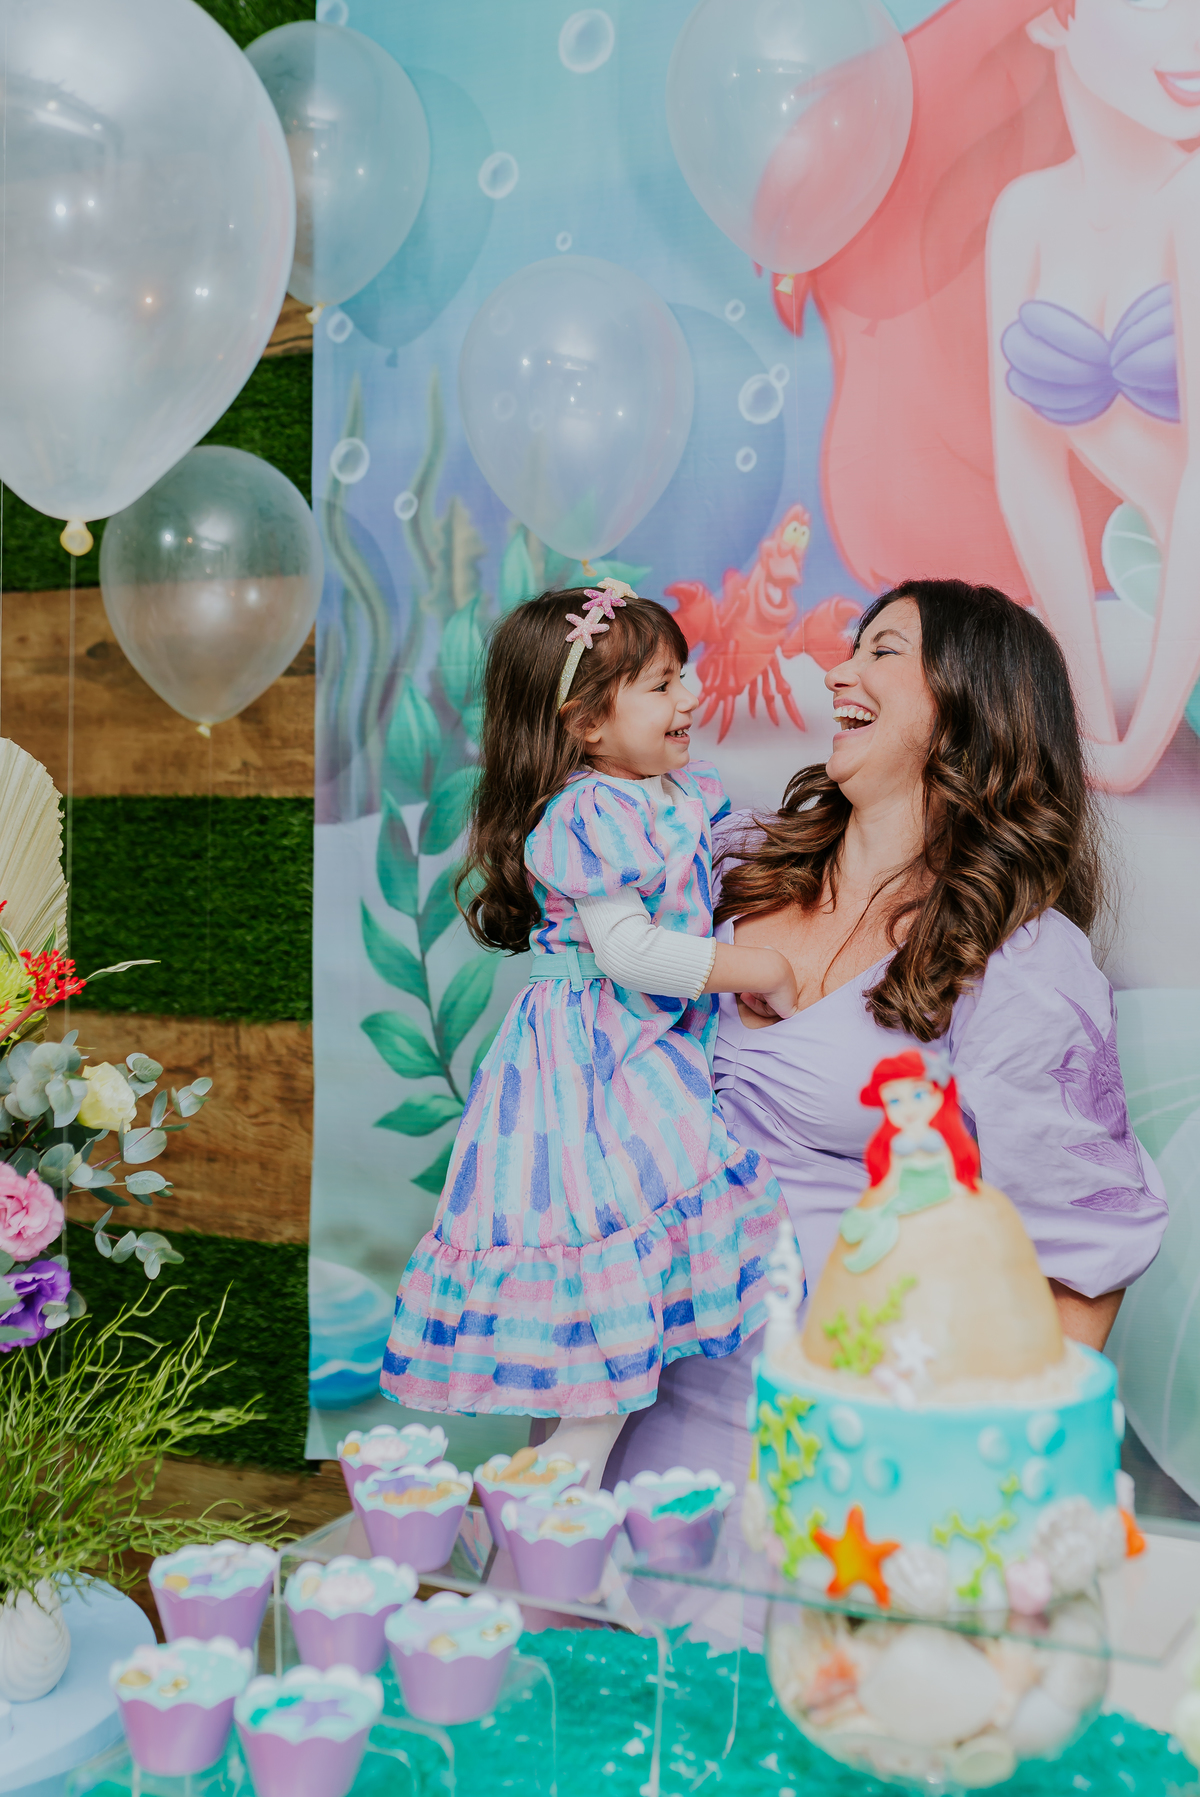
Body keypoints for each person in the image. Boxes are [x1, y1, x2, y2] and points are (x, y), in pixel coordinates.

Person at [604, 577, 1168, 1500]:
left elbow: (1079, 1262)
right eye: (850, 648)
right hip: (621, 1399)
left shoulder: (1022, 962)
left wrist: (976, 1490)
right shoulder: (719, 867)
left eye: (882, 650)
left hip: (835, 1452)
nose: (838, 672)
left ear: (969, 707)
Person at [380, 580, 791, 1488]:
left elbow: (708, 878)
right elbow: (630, 951)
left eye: (684, 675)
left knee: (635, 1266)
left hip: (634, 1045)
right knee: (606, 1244)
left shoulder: (669, 796)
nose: (689, 698)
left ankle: (561, 1476)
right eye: (660, 685)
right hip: (592, 1061)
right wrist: (759, 970)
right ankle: (553, 1479)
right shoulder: (588, 814)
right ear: (586, 723)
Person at [769, 0, 1200, 792]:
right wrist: (1092, 720)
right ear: (1050, 21)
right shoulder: (1027, 215)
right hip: (1175, 629)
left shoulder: (1192, 201)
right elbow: (1030, 480)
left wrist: (1138, 744)